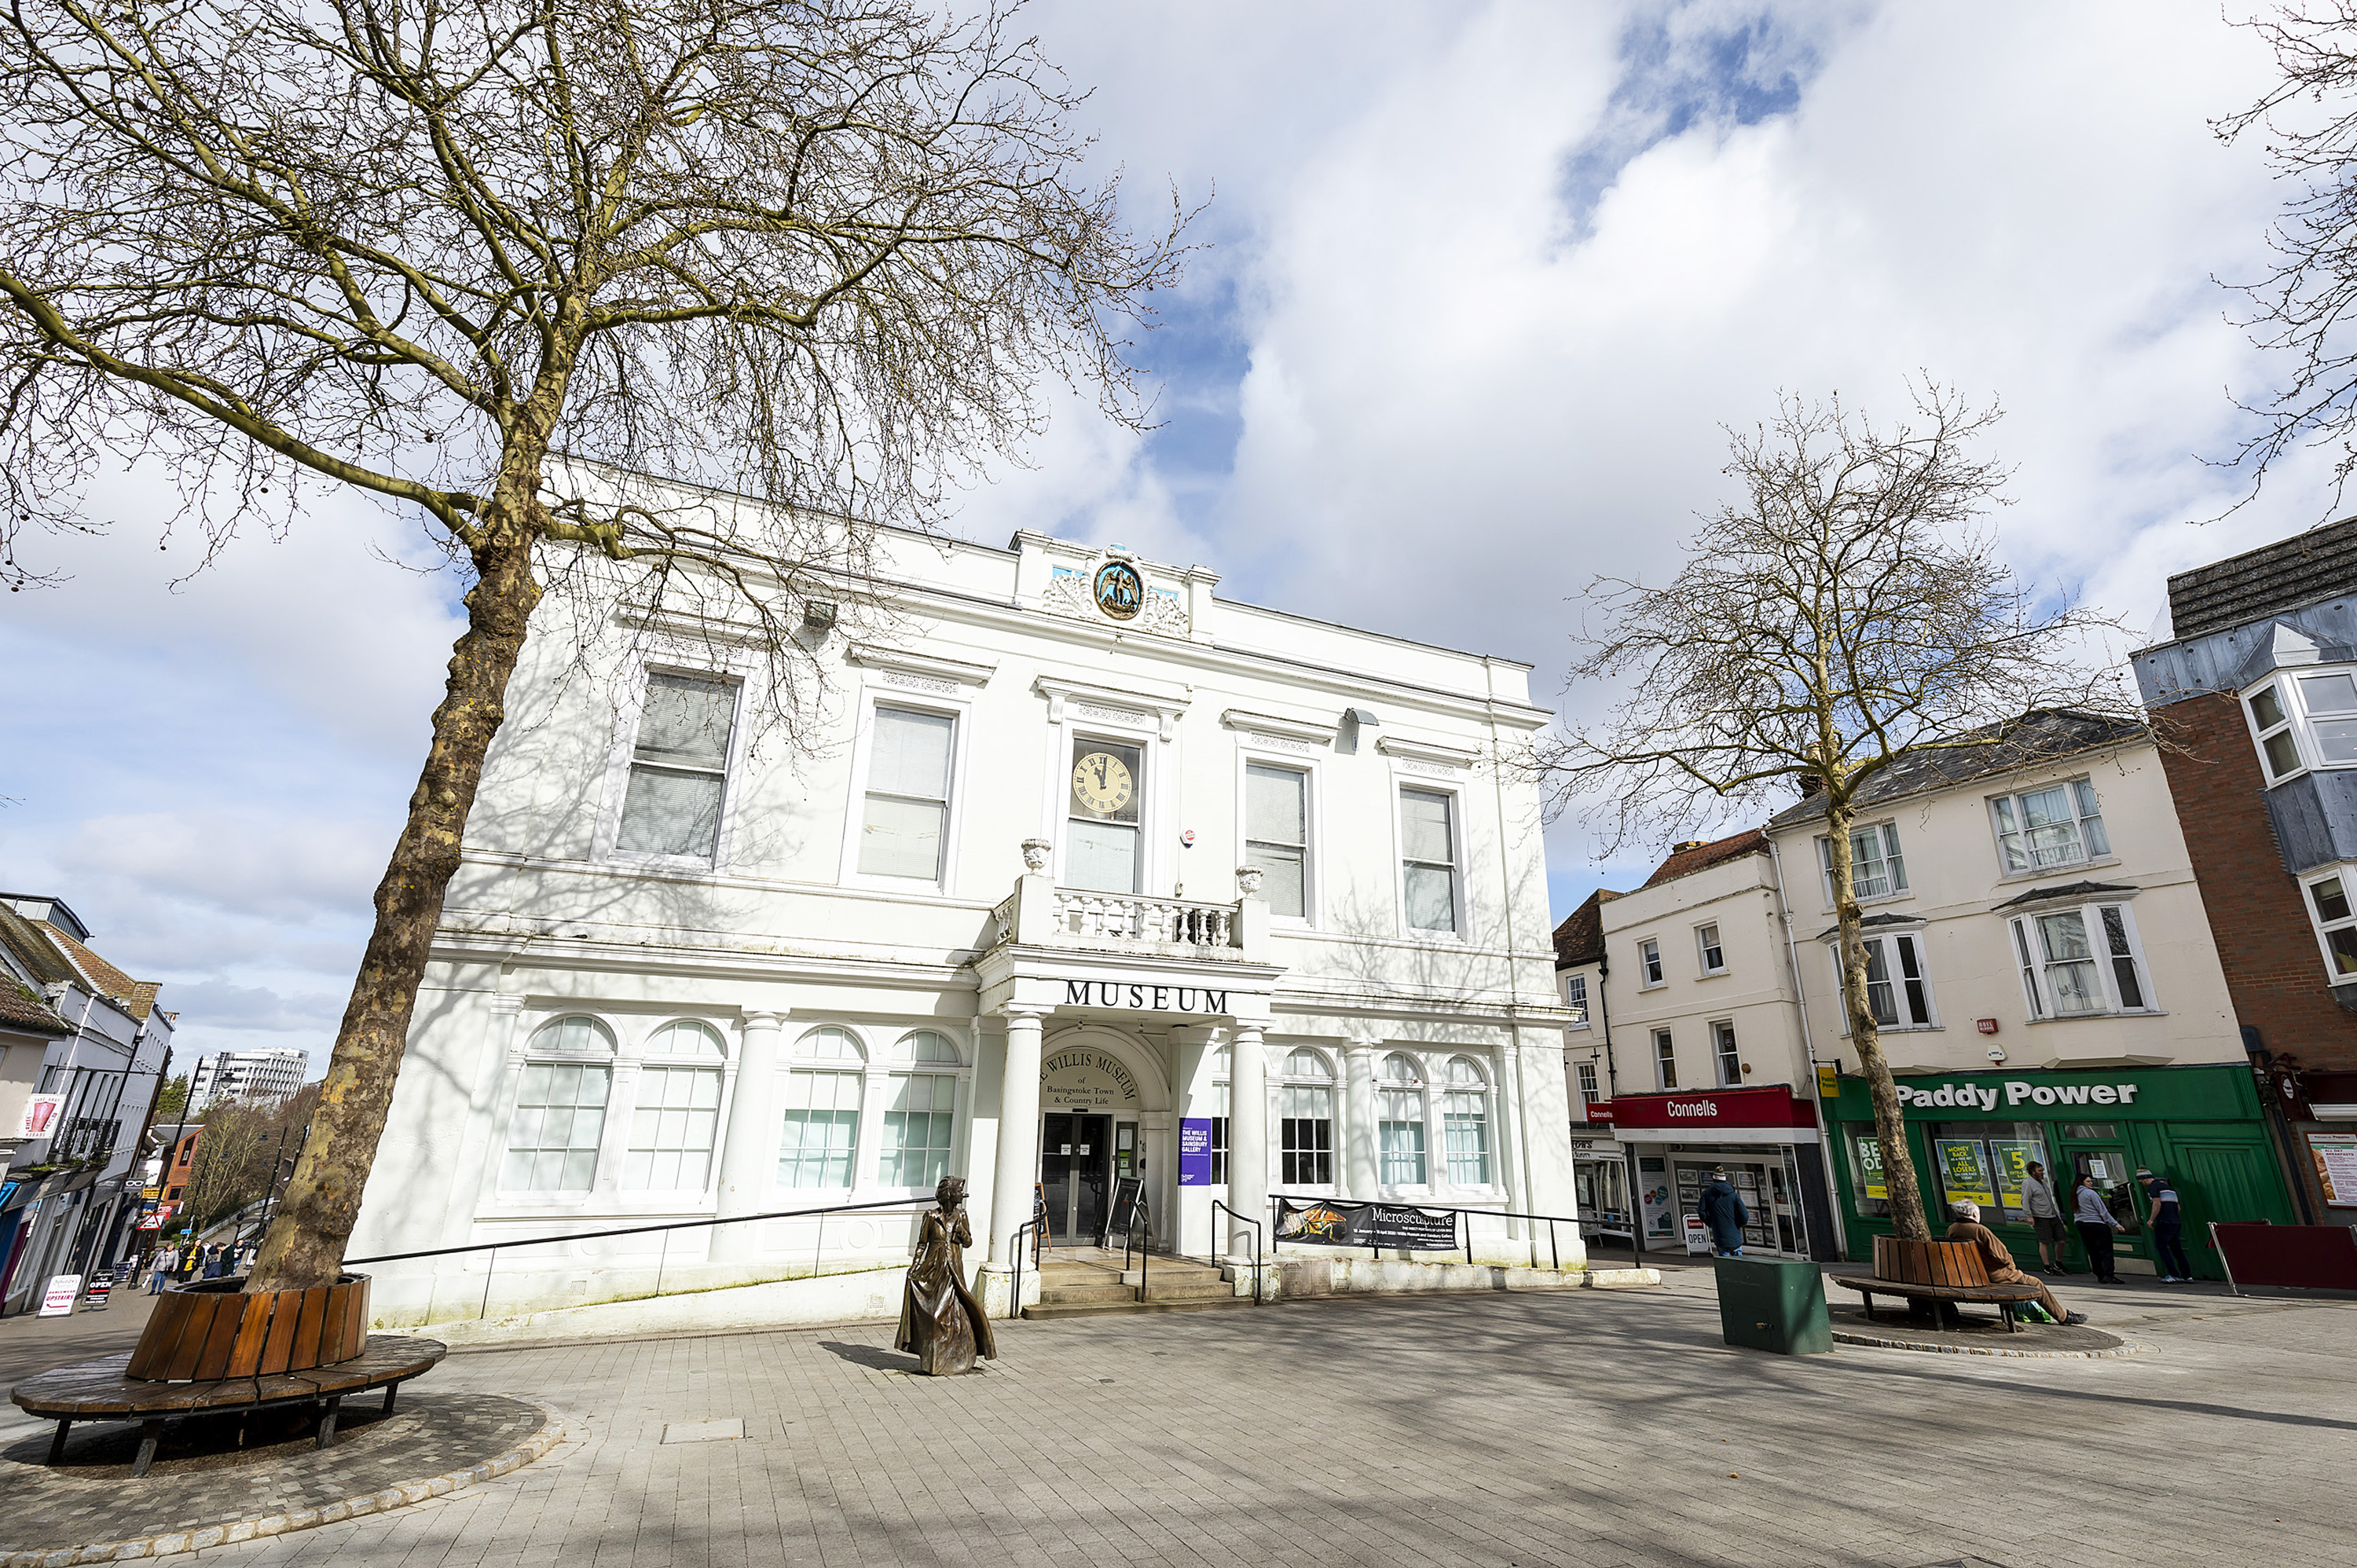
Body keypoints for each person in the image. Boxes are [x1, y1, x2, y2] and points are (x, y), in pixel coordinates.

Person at [895, 1176, 996, 1376]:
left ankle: (959, 1359)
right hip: (933, 1270)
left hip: (954, 1272)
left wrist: (961, 1232)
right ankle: (935, 1361)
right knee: (934, 1317)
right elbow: (922, 1244)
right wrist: (914, 1267)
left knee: (958, 1317)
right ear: (949, 1193)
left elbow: (968, 1243)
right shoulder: (931, 1216)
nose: (962, 1194)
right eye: (959, 1190)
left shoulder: (961, 1216)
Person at [1948, 1202, 2088, 1324]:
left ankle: (2062, 1314)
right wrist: (2010, 1265)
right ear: (1974, 1214)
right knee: (2037, 1283)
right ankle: (2063, 1316)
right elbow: (2002, 1256)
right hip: (1994, 1275)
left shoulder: (1952, 1229)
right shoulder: (1980, 1230)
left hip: (1970, 1274)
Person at [2073, 1171, 2126, 1284]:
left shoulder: (2074, 1194)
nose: (2091, 1183)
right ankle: (2109, 1274)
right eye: (2088, 1181)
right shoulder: (2091, 1193)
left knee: (2093, 1251)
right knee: (2106, 1251)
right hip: (2096, 1224)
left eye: (2091, 1181)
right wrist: (2116, 1224)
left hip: (2082, 1225)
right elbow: (2103, 1211)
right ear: (2081, 1182)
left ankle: (2100, 1275)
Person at [2141, 1170, 2194, 1282]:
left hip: (2164, 1222)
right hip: (2175, 1222)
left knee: (2162, 1248)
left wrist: (2151, 1220)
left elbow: (2157, 1203)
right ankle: (2187, 1275)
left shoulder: (2153, 1188)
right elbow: (2178, 1207)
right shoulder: (2169, 1188)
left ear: (2146, 1179)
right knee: (2177, 1249)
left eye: (2142, 1182)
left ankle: (2173, 1274)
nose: (2142, 1184)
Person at [2019, 1160, 2068, 1275]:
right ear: (2033, 1172)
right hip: (2040, 1216)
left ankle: (2058, 1263)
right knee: (2044, 1241)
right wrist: (2029, 1216)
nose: (2042, 1173)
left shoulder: (2043, 1183)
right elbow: (2025, 1200)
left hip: (2052, 1215)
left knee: (2061, 1240)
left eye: (2043, 1171)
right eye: (2040, 1171)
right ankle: (2047, 1266)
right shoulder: (2028, 1183)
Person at [1698, 1167, 1748, 1257]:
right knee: (1739, 1261)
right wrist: (1739, 1224)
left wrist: (1711, 1223)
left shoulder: (1707, 1194)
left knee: (1724, 1261)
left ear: (1714, 1179)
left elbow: (1702, 1212)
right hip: (1734, 1233)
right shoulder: (1733, 1195)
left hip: (1719, 1232)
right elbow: (1744, 1215)